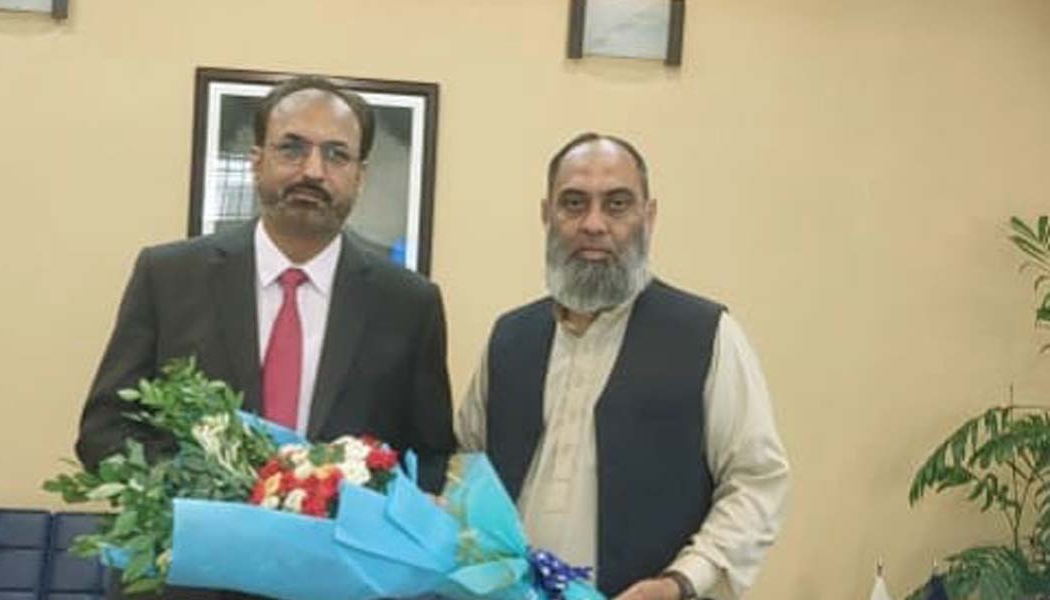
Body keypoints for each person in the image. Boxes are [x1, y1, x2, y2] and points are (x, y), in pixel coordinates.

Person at [75, 75, 456, 600]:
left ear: (360, 176)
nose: (312, 171)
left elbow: (430, 452)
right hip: (188, 581)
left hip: (342, 588)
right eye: (292, 148)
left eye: (336, 155)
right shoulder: (169, 276)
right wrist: (203, 501)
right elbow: (104, 428)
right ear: (257, 160)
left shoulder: (409, 304)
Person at [456, 133, 790, 600]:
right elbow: (467, 467)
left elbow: (756, 482)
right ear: (546, 215)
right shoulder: (509, 338)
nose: (593, 224)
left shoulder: (706, 334)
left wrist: (682, 582)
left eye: (616, 205)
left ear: (648, 218)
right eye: (573, 203)